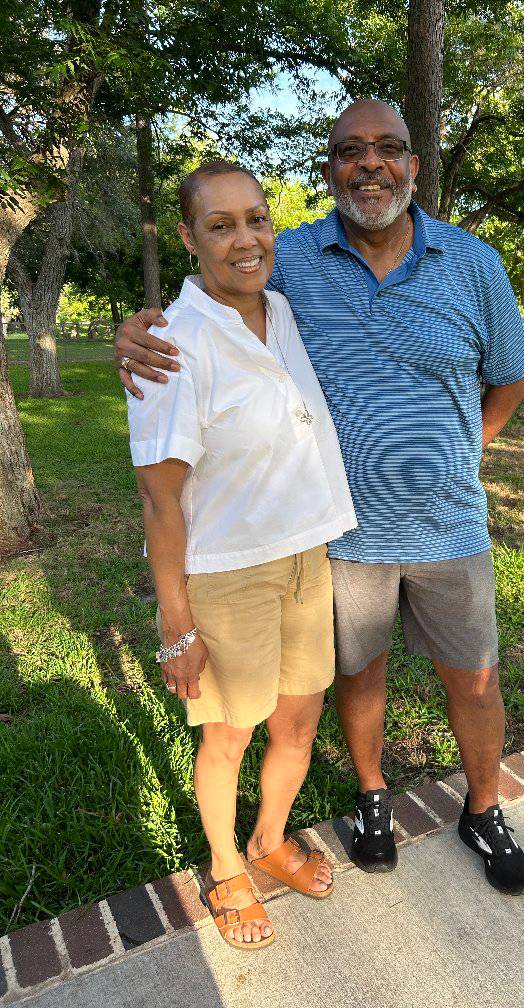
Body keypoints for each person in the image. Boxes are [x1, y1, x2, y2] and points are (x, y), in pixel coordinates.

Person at [117, 100, 524, 895]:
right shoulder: (292, 260)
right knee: (358, 674)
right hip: (342, 535)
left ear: (416, 164)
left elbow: (511, 373)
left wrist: (468, 445)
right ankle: (371, 797)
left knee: (474, 675)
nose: (370, 164)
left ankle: (484, 808)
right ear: (328, 168)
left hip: (450, 523)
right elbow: (209, 315)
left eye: (389, 149)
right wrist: (137, 338)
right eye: (351, 150)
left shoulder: (474, 263)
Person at [126, 161, 357, 949]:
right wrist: (177, 624)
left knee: (298, 718)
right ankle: (226, 866)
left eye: (256, 219)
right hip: (228, 574)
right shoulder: (170, 346)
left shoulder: (281, 311)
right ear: (189, 238)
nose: (245, 238)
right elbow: (160, 500)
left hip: (305, 556)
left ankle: (269, 839)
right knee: (228, 732)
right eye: (220, 225)